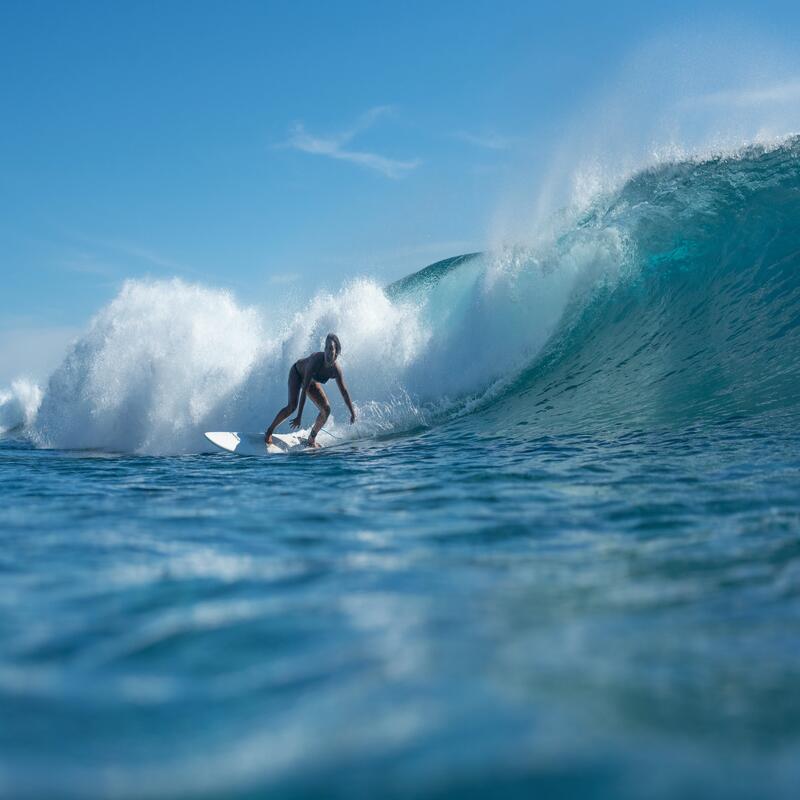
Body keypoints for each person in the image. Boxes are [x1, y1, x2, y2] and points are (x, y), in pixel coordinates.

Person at [265, 333, 356, 448]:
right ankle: (269, 431)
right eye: (326, 348)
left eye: (331, 349)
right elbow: (304, 390)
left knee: (326, 410)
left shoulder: (335, 370)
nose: (328, 352)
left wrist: (352, 413)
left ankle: (311, 438)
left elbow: (344, 392)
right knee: (292, 406)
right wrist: (299, 416)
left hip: (312, 383)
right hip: (297, 374)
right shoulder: (316, 361)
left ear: (336, 352)